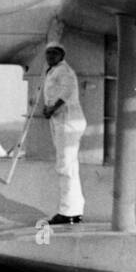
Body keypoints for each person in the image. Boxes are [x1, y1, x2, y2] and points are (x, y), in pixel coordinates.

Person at [41, 43, 86, 224]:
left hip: (67, 122)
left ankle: (67, 213)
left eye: (54, 53)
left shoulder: (63, 71)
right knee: (70, 167)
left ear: (62, 55)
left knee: (65, 166)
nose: (50, 56)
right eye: (48, 53)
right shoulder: (54, 71)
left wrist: (52, 108)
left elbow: (67, 92)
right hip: (63, 121)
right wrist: (49, 108)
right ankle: (75, 210)